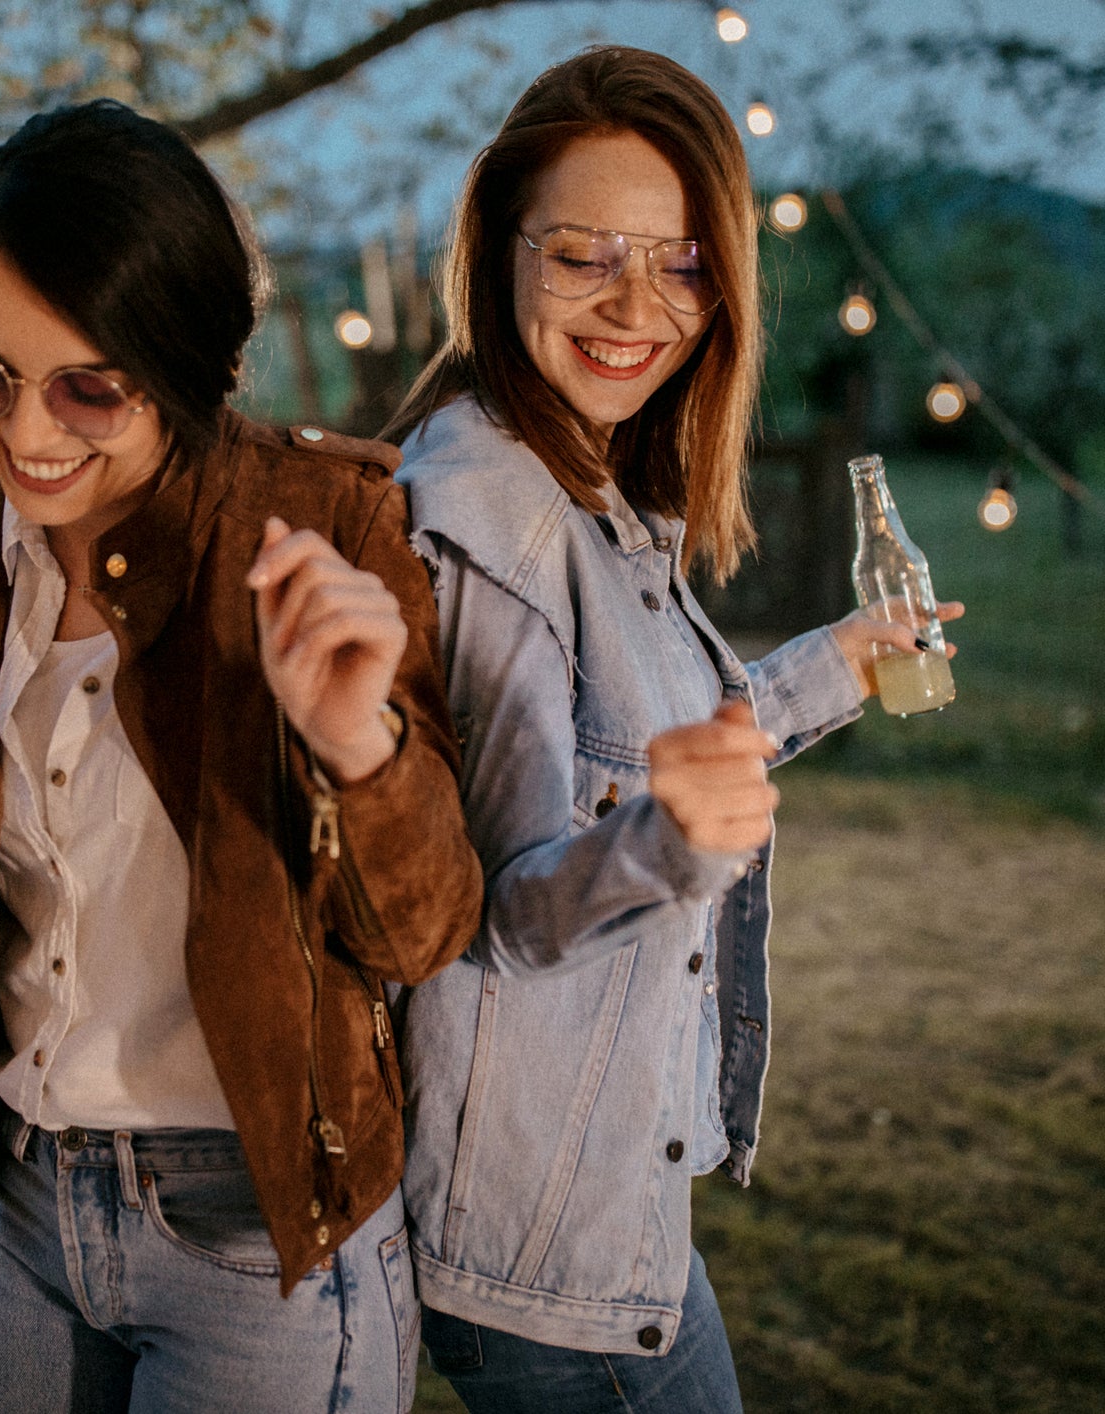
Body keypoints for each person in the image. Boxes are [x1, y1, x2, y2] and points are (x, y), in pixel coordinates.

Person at [0, 100, 483, 1413]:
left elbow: (422, 929)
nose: (24, 431)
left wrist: (360, 743)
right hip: (27, 1200)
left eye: (88, 385)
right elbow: (23, 885)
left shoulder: (321, 521)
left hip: (255, 1233)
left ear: (184, 363)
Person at [383, 47, 963, 1411]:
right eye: (586, 254)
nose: (640, 307)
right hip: (545, 1240)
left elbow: (628, 758)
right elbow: (497, 913)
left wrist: (833, 667)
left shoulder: (575, 479)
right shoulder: (498, 524)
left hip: (576, 1204)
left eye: (685, 265)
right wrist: (668, 845)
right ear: (498, 253)